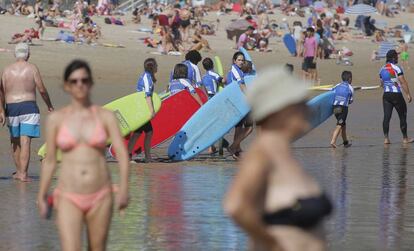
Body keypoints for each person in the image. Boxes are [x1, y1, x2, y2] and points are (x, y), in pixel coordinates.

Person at [224, 67, 332, 251]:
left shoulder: (282, 150)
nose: (308, 109)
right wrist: (273, 244)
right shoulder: (263, 151)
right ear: (278, 110)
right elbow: (235, 206)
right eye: (300, 103)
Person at [37, 60, 129, 250]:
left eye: (84, 80)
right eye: (74, 81)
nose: (80, 84)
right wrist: (41, 195)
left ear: (91, 83)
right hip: (68, 195)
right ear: (66, 85)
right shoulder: (56, 119)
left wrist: (124, 188)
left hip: (101, 195)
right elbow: (50, 160)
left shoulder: (106, 116)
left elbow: (121, 152)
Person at [0, 43, 53, 182]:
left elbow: (1, 92)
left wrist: (1, 110)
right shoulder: (32, 68)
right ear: (28, 54)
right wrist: (49, 105)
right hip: (28, 107)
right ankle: (23, 174)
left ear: (14, 54)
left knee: (15, 141)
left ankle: (19, 172)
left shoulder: (6, 70)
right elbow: (41, 89)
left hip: (11, 107)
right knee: (25, 141)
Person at [380, 49, 413, 144]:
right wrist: (408, 94)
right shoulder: (396, 68)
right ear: (393, 58)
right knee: (402, 116)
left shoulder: (382, 69)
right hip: (396, 95)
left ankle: (386, 139)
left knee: (387, 117)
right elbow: (403, 82)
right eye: (397, 56)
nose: (398, 57)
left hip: (386, 95)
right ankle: (405, 138)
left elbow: (382, 84)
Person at [128, 58, 157, 163]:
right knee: (141, 133)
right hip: (142, 109)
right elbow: (147, 96)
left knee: (143, 132)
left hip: (141, 108)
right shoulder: (147, 78)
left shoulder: (146, 76)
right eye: (156, 66)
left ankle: (146, 157)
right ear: (152, 67)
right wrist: (151, 111)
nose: (157, 67)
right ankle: (130, 156)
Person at [226, 51, 252, 159]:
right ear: (234, 61)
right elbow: (241, 85)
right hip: (240, 102)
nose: (241, 62)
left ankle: (236, 148)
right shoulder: (236, 71)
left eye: (242, 60)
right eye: (239, 60)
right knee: (249, 128)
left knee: (239, 127)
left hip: (236, 102)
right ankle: (233, 147)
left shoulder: (233, 71)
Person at [201, 57, 226, 154]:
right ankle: (219, 146)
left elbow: (203, 88)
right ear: (213, 65)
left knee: (210, 123)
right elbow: (222, 80)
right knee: (219, 122)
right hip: (215, 99)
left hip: (208, 100)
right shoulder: (214, 74)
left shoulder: (204, 77)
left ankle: (211, 147)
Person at [330, 71, 354, 148]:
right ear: (350, 79)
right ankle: (333, 141)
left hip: (335, 107)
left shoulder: (337, 85)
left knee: (343, 125)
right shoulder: (350, 87)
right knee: (339, 125)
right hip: (343, 108)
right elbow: (350, 101)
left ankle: (345, 142)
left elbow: (331, 93)